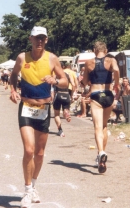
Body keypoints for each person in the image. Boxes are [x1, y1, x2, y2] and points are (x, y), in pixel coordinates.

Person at [9, 26, 67, 208]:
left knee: (39, 153)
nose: (39, 41)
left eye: (42, 38)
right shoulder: (21, 58)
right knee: (28, 150)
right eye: (36, 38)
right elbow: (13, 76)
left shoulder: (52, 58)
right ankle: (27, 192)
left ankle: (33, 186)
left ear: (46, 40)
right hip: (26, 107)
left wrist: (55, 81)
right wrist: (12, 90)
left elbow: (65, 81)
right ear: (30, 39)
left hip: (43, 109)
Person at [81, 41, 119, 174]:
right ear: (106, 49)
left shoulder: (89, 63)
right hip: (108, 94)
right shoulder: (111, 60)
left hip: (96, 94)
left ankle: (101, 152)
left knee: (97, 127)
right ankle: (101, 157)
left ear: (94, 50)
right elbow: (116, 70)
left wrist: (87, 82)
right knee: (104, 126)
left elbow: (85, 81)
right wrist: (117, 84)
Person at [53, 64, 75, 137]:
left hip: (58, 94)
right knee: (65, 108)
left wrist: (52, 96)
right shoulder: (68, 75)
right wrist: (72, 94)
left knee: (56, 114)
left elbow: (52, 86)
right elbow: (73, 84)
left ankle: (60, 130)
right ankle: (66, 113)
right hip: (66, 94)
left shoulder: (56, 75)